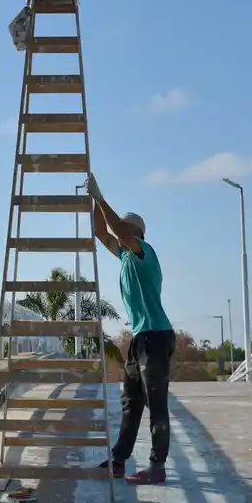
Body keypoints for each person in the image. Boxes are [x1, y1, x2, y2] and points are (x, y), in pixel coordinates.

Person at [85, 171, 175, 485]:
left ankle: (157, 466)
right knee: (131, 403)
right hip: (141, 339)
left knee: (156, 403)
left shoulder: (143, 254)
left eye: (125, 229)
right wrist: (93, 200)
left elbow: (117, 230)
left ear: (136, 233)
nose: (119, 233)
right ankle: (119, 459)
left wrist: (101, 198)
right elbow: (102, 232)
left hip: (156, 337)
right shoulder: (125, 256)